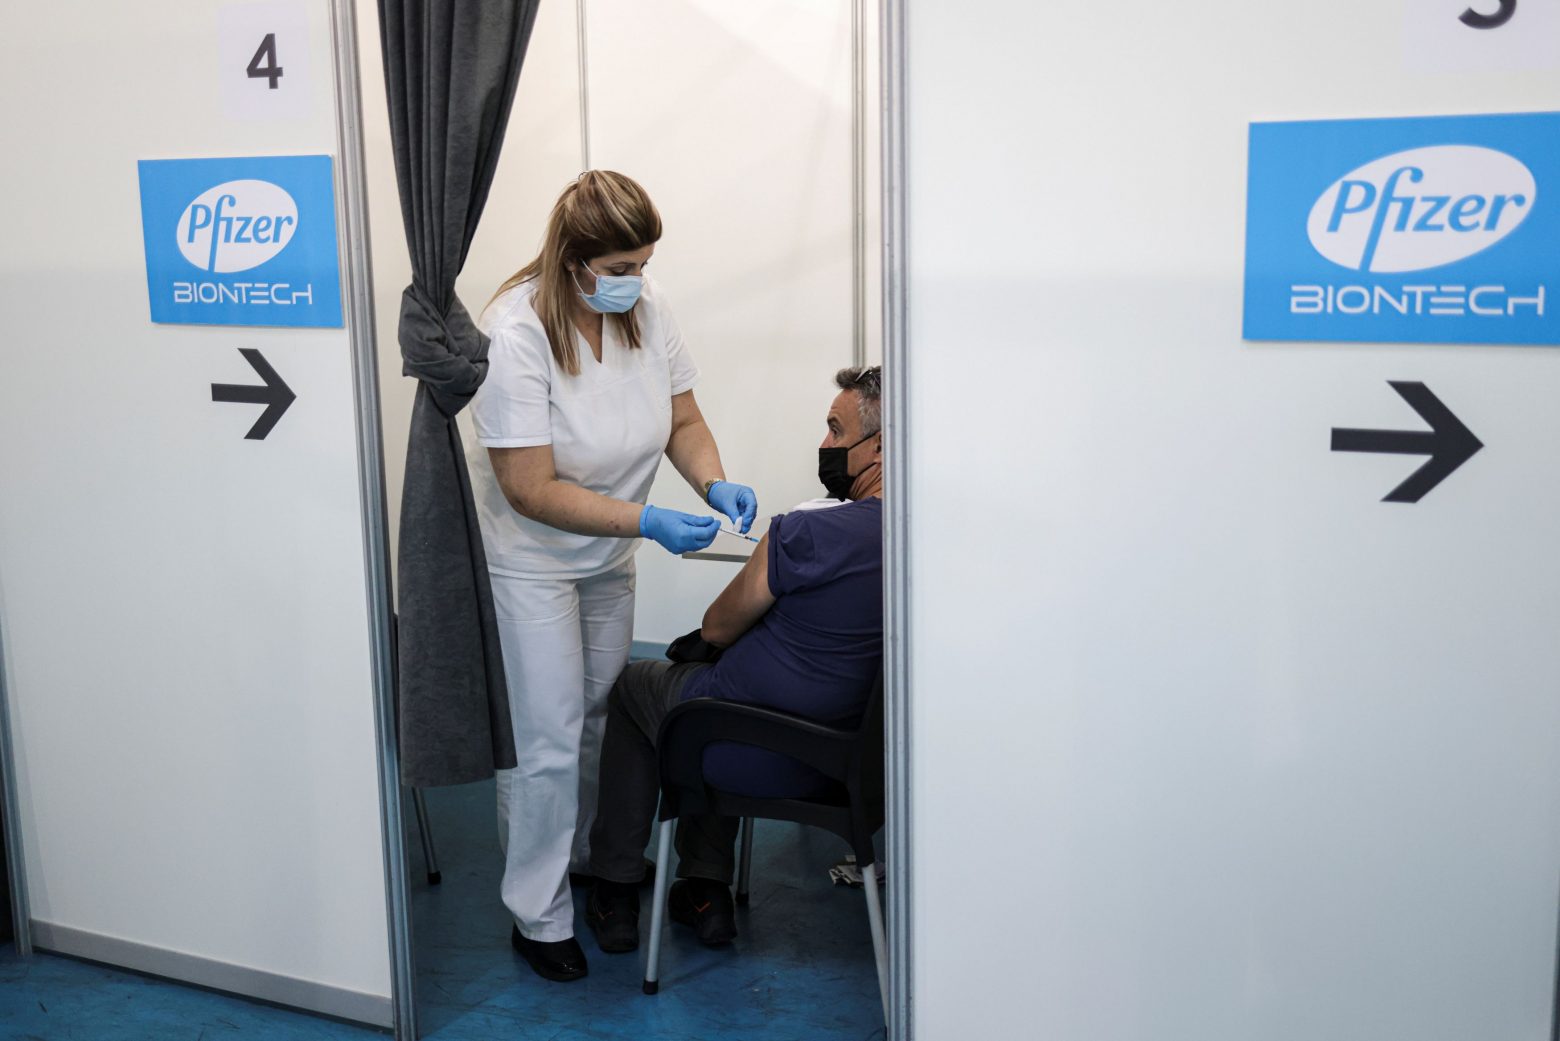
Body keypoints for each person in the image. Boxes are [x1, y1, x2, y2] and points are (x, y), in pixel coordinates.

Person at [467, 171, 759, 983]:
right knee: (548, 737)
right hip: (531, 561)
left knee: (603, 718)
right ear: (574, 260)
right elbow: (529, 487)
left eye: (644, 263)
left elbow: (684, 417)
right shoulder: (515, 333)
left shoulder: (645, 306)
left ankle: (595, 864)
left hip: (606, 558)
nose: (637, 279)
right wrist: (647, 519)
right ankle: (539, 910)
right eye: (622, 266)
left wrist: (712, 482)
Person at [581, 366, 885, 954]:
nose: (824, 444)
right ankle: (703, 890)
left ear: (880, 446)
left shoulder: (805, 533)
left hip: (745, 751)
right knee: (711, 695)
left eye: (835, 429)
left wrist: (779, 543)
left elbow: (718, 626)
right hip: (852, 766)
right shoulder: (923, 539)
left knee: (640, 690)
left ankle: (614, 885)